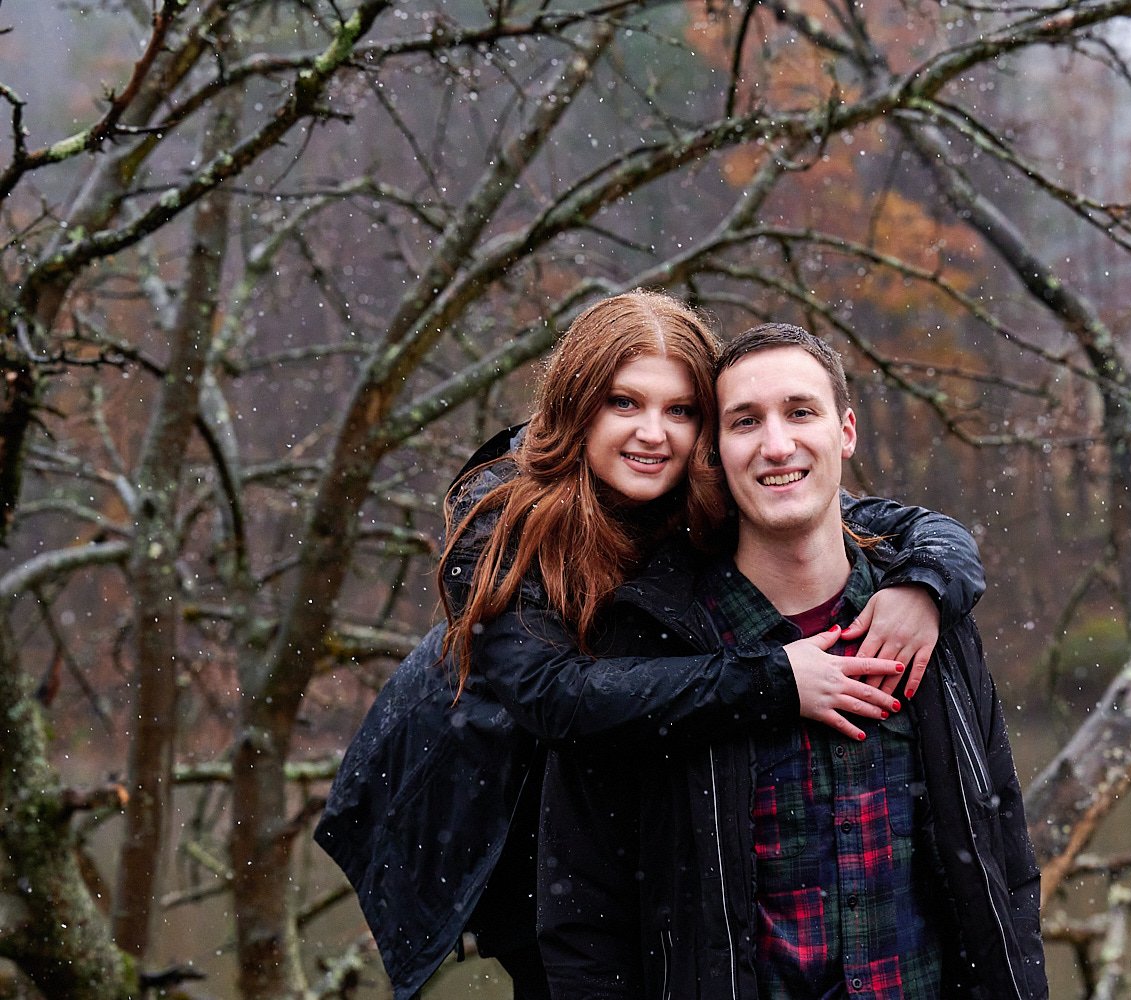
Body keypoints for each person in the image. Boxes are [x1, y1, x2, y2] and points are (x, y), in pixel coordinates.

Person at [314, 293, 988, 999]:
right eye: (624, 403)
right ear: (578, 407)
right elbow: (557, 699)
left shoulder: (710, 488)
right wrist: (775, 681)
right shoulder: (503, 524)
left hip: (635, 794)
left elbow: (880, 519)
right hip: (500, 801)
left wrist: (927, 582)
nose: (653, 433)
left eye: (680, 410)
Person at [538, 324, 1048, 999]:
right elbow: (582, 918)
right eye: (746, 422)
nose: (777, 445)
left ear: (846, 431)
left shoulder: (934, 626)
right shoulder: (650, 646)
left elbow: (1005, 862)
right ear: (715, 451)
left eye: (800, 412)